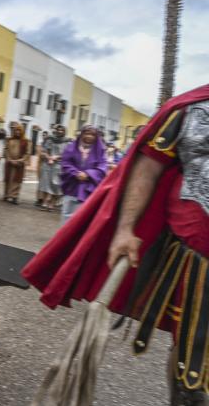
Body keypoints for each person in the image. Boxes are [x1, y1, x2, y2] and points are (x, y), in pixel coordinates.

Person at [22, 84, 209, 405]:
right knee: (191, 362)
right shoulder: (192, 108)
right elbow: (149, 166)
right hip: (196, 261)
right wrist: (124, 229)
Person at [58, 124, 107, 222]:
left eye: (92, 134)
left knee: (84, 217)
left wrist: (88, 174)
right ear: (82, 134)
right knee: (67, 213)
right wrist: (76, 173)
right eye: (87, 133)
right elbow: (65, 162)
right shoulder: (71, 147)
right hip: (72, 184)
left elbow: (102, 167)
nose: (89, 136)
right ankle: (65, 236)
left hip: (89, 187)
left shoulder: (100, 150)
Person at [38, 125, 67, 211]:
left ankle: (52, 203)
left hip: (59, 165)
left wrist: (56, 157)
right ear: (56, 130)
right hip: (48, 164)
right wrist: (49, 157)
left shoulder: (67, 142)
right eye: (58, 130)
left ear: (64, 132)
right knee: (45, 183)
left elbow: (67, 155)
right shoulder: (50, 139)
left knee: (56, 185)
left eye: (62, 130)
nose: (60, 131)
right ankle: (44, 202)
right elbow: (43, 151)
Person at [3, 122, 29, 204]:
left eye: (19, 130)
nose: (17, 132)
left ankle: (15, 197)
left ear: (22, 132)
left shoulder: (25, 141)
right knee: (8, 180)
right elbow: (6, 150)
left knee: (17, 181)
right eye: (16, 130)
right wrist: (9, 159)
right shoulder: (9, 140)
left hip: (19, 165)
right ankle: (6, 195)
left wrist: (20, 160)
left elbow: (27, 153)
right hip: (9, 164)